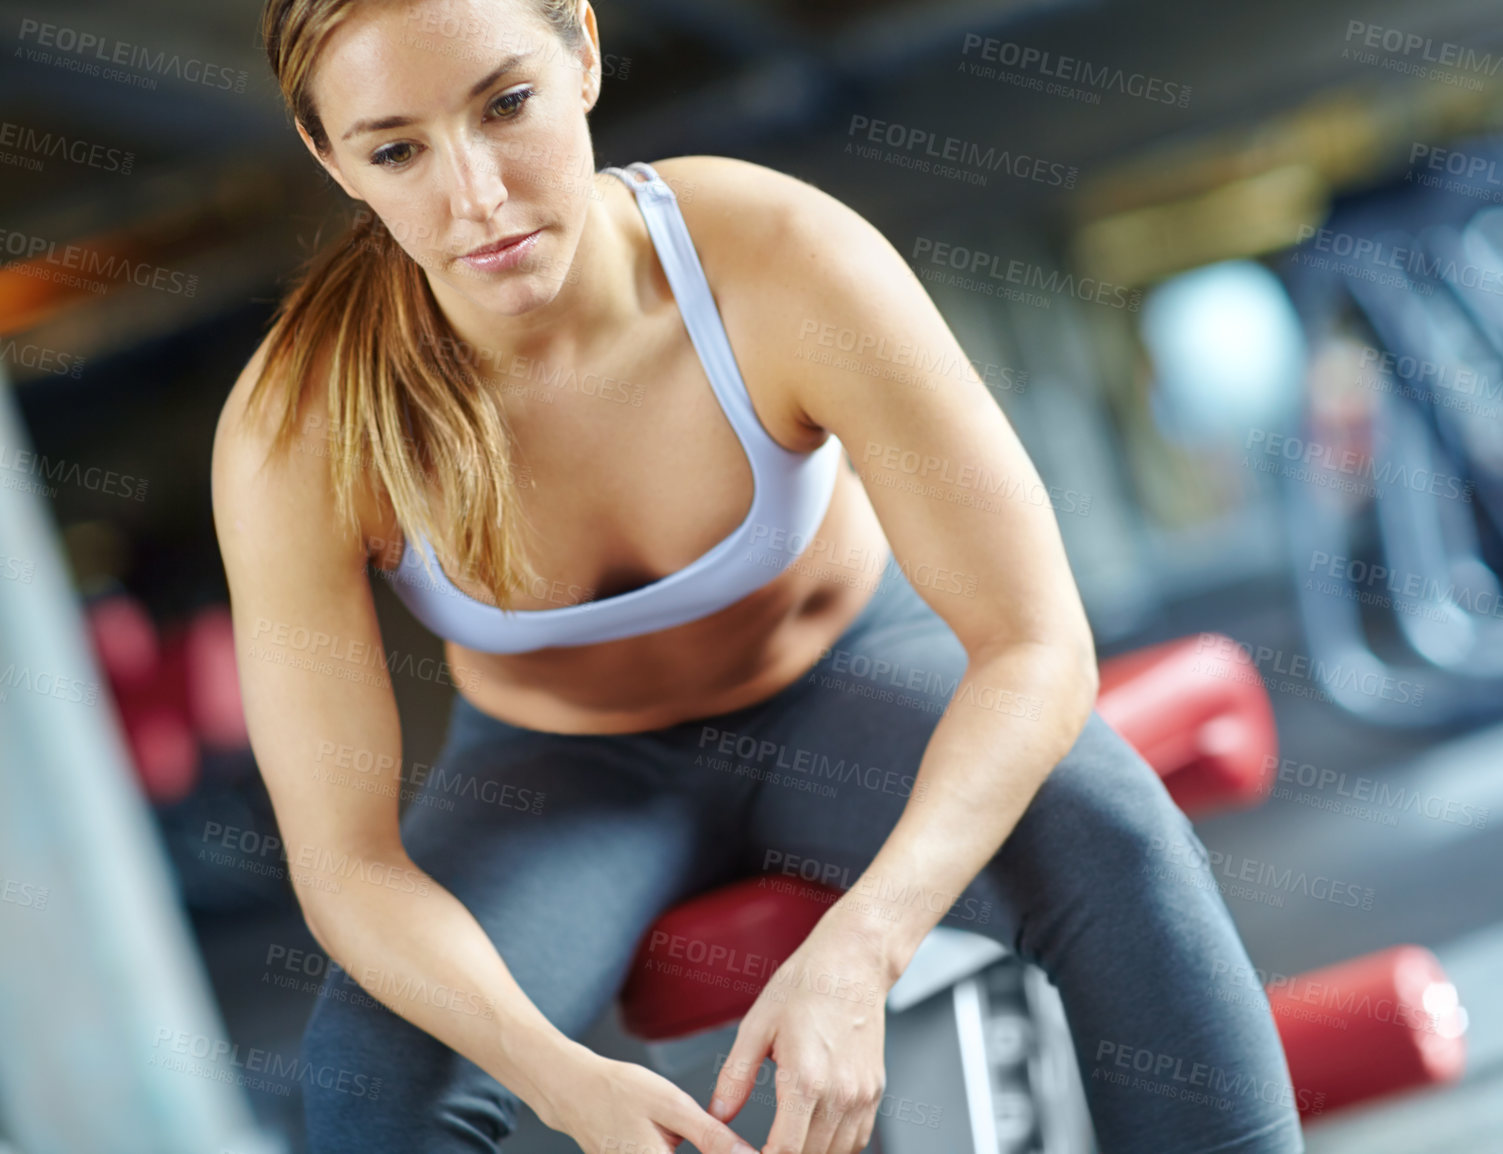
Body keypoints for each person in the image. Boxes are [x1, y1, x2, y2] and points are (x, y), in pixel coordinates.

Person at [211, 1, 1306, 1151]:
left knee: (1110, 837)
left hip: (848, 682)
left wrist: (862, 946)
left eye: (507, 104)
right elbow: (346, 866)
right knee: (371, 1088)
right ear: (329, 155)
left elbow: (1035, 645)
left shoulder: (778, 258)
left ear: (582, 51)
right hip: (562, 776)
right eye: (397, 150)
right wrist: (557, 1075)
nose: (476, 194)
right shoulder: (298, 430)